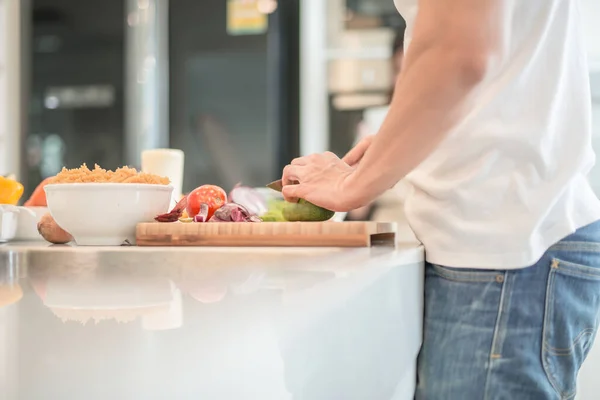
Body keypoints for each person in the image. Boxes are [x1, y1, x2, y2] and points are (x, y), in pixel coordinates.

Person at [280, 0, 600, 398]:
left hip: (502, 255)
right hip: (504, 250)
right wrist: (407, 145)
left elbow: (460, 52)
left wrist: (353, 185)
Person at [347, 28, 405, 222]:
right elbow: (358, 206)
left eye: (412, 73)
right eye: (398, 70)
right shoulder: (376, 120)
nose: (402, 80)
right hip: (389, 226)